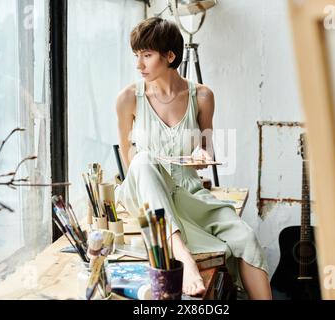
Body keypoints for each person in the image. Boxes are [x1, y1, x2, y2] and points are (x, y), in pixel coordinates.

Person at [115, 17, 271, 300]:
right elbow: (128, 155)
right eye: (136, 56)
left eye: (147, 56)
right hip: (146, 192)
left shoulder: (202, 96)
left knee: (246, 239)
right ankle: (184, 260)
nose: (139, 65)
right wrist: (144, 167)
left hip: (190, 191)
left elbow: (206, 148)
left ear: (170, 56)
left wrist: (202, 154)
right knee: (143, 160)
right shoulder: (128, 98)